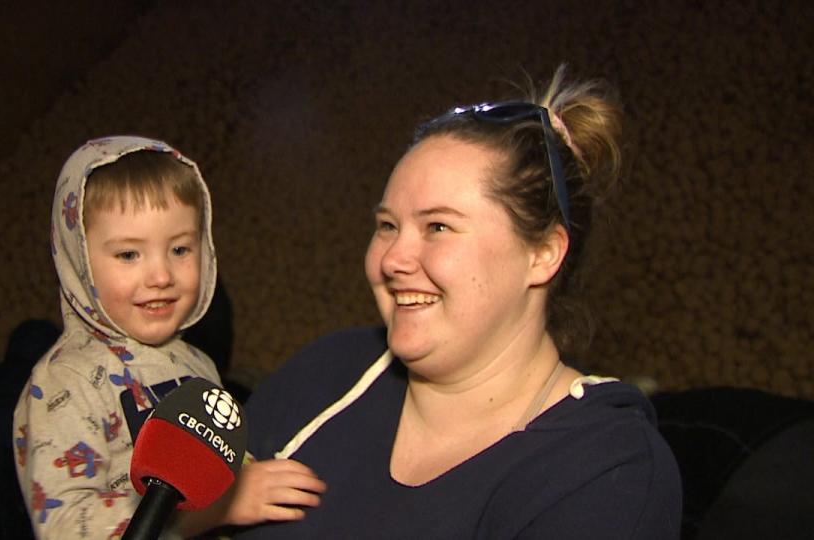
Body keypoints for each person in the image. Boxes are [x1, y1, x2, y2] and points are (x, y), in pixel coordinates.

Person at [229, 66, 683, 538]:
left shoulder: (604, 473)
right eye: (387, 226)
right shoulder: (327, 373)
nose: (393, 259)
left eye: (438, 227)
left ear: (543, 254)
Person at [12, 136, 224, 538]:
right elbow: (64, 524)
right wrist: (207, 512)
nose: (161, 276)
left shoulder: (199, 363)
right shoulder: (63, 385)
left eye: (180, 249)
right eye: (129, 255)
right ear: (79, 261)